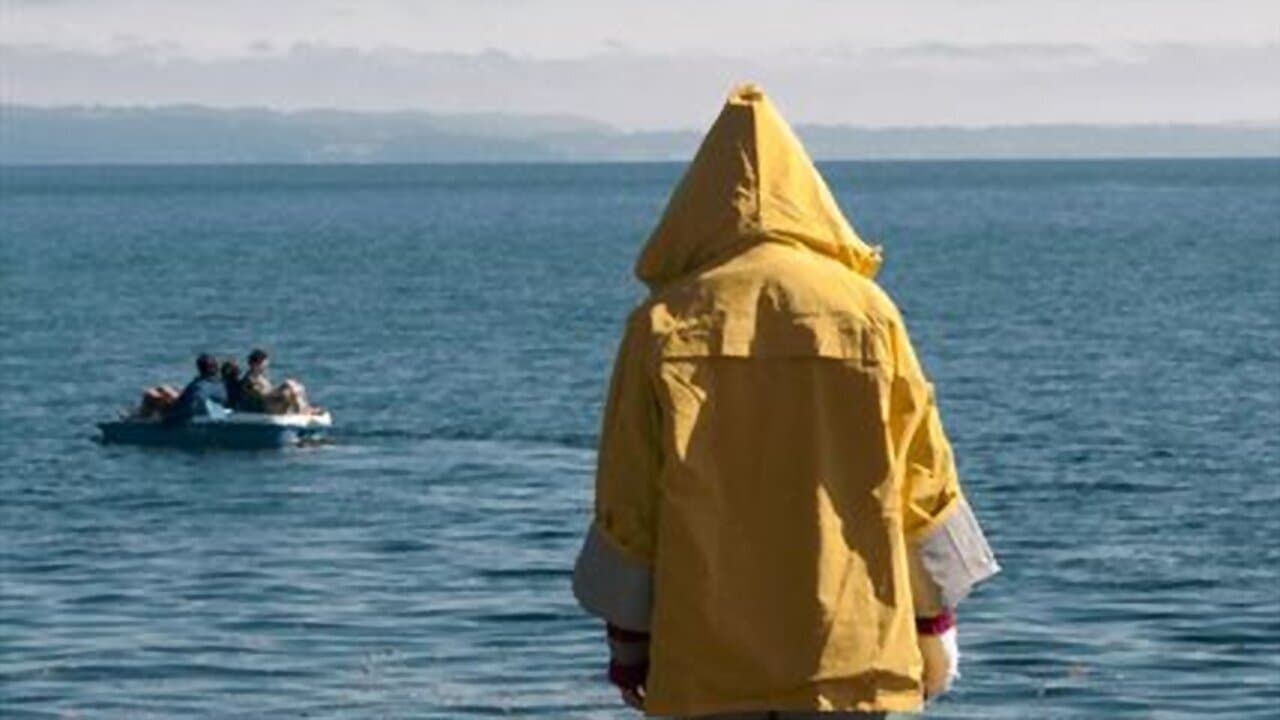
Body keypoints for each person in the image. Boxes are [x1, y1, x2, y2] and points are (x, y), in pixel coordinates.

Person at [572, 85, 999, 719]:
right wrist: (934, 628)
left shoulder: (660, 324)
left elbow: (629, 502)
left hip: (705, 665)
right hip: (854, 660)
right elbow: (923, 481)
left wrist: (629, 647)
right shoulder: (869, 315)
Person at [240, 348, 311, 414]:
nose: (266, 365)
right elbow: (264, 396)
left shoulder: (262, 377)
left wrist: (285, 388)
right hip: (263, 408)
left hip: (269, 404)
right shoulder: (250, 380)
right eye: (264, 363)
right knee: (287, 392)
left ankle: (303, 409)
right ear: (256, 364)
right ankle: (302, 411)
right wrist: (282, 388)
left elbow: (270, 392)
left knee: (292, 389)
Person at [164, 353, 228, 423]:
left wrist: (169, 415)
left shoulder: (199, 387)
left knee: (159, 394)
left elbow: (191, 406)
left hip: (187, 415)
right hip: (211, 408)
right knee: (167, 390)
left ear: (200, 368)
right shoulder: (222, 383)